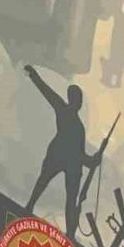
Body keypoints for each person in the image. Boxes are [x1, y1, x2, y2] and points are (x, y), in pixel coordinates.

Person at [22, 64, 102, 236]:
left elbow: (80, 155)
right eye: (76, 98)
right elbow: (47, 92)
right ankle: (29, 206)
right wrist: (34, 75)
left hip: (72, 163)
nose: (78, 102)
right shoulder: (63, 109)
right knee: (43, 181)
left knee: (71, 199)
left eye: (79, 99)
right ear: (72, 99)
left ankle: (70, 232)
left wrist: (93, 160)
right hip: (57, 155)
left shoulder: (80, 128)